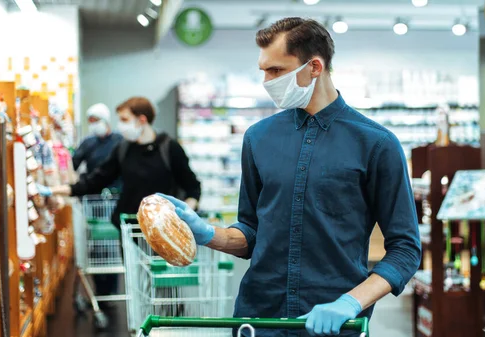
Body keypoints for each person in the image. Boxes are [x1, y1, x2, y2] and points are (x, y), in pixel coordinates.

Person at [158, 17, 421, 337]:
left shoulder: (376, 144)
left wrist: (351, 302)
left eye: (276, 71)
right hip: (258, 318)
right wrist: (208, 234)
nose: (267, 81)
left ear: (314, 67)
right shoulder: (258, 138)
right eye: (263, 70)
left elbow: (405, 249)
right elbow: (251, 231)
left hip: (334, 323)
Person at [49, 95, 201, 231]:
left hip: (163, 229)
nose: (120, 126)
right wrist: (55, 190)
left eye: (125, 120)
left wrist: (184, 214)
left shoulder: (169, 148)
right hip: (129, 228)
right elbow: (96, 180)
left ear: (142, 120)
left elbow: (192, 187)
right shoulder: (123, 148)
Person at [72, 103, 124, 193]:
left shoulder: (120, 140)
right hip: (93, 193)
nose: (93, 125)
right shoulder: (88, 143)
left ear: (105, 121)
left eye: (95, 121)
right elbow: (73, 163)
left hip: (116, 192)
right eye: (90, 122)